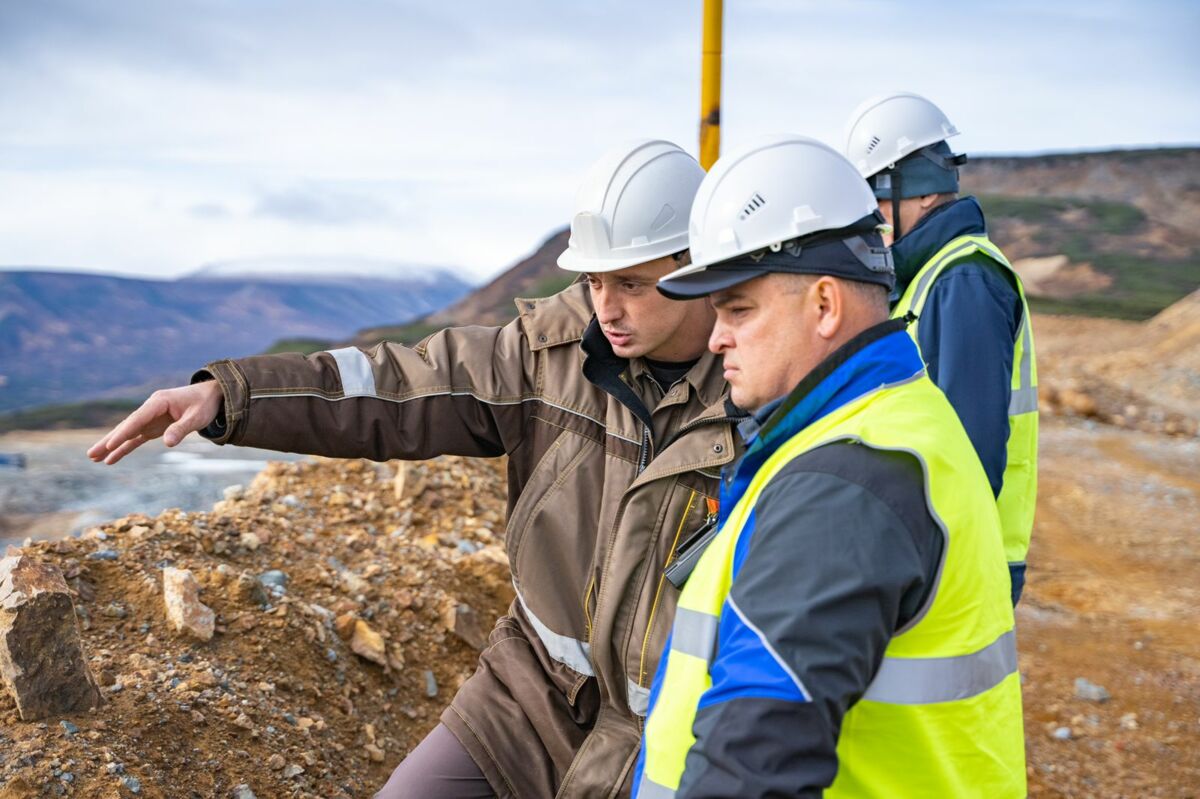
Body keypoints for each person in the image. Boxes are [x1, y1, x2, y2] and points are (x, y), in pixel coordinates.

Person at [89, 139, 742, 799]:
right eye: (593, 282)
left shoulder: (763, 395)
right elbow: (397, 384)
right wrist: (232, 396)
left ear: (693, 267)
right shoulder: (547, 354)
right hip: (528, 701)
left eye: (629, 283)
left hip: (673, 742)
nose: (606, 308)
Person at [634, 135, 1025, 798]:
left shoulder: (846, 483)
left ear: (824, 303)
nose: (715, 337)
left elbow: (752, 764)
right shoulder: (892, 418)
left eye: (738, 309)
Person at [844, 92, 1039, 605]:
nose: (874, 219)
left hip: (953, 555)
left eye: (878, 198)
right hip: (933, 546)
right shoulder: (925, 278)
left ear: (923, 191)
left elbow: (966, 449)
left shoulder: (962, 279)